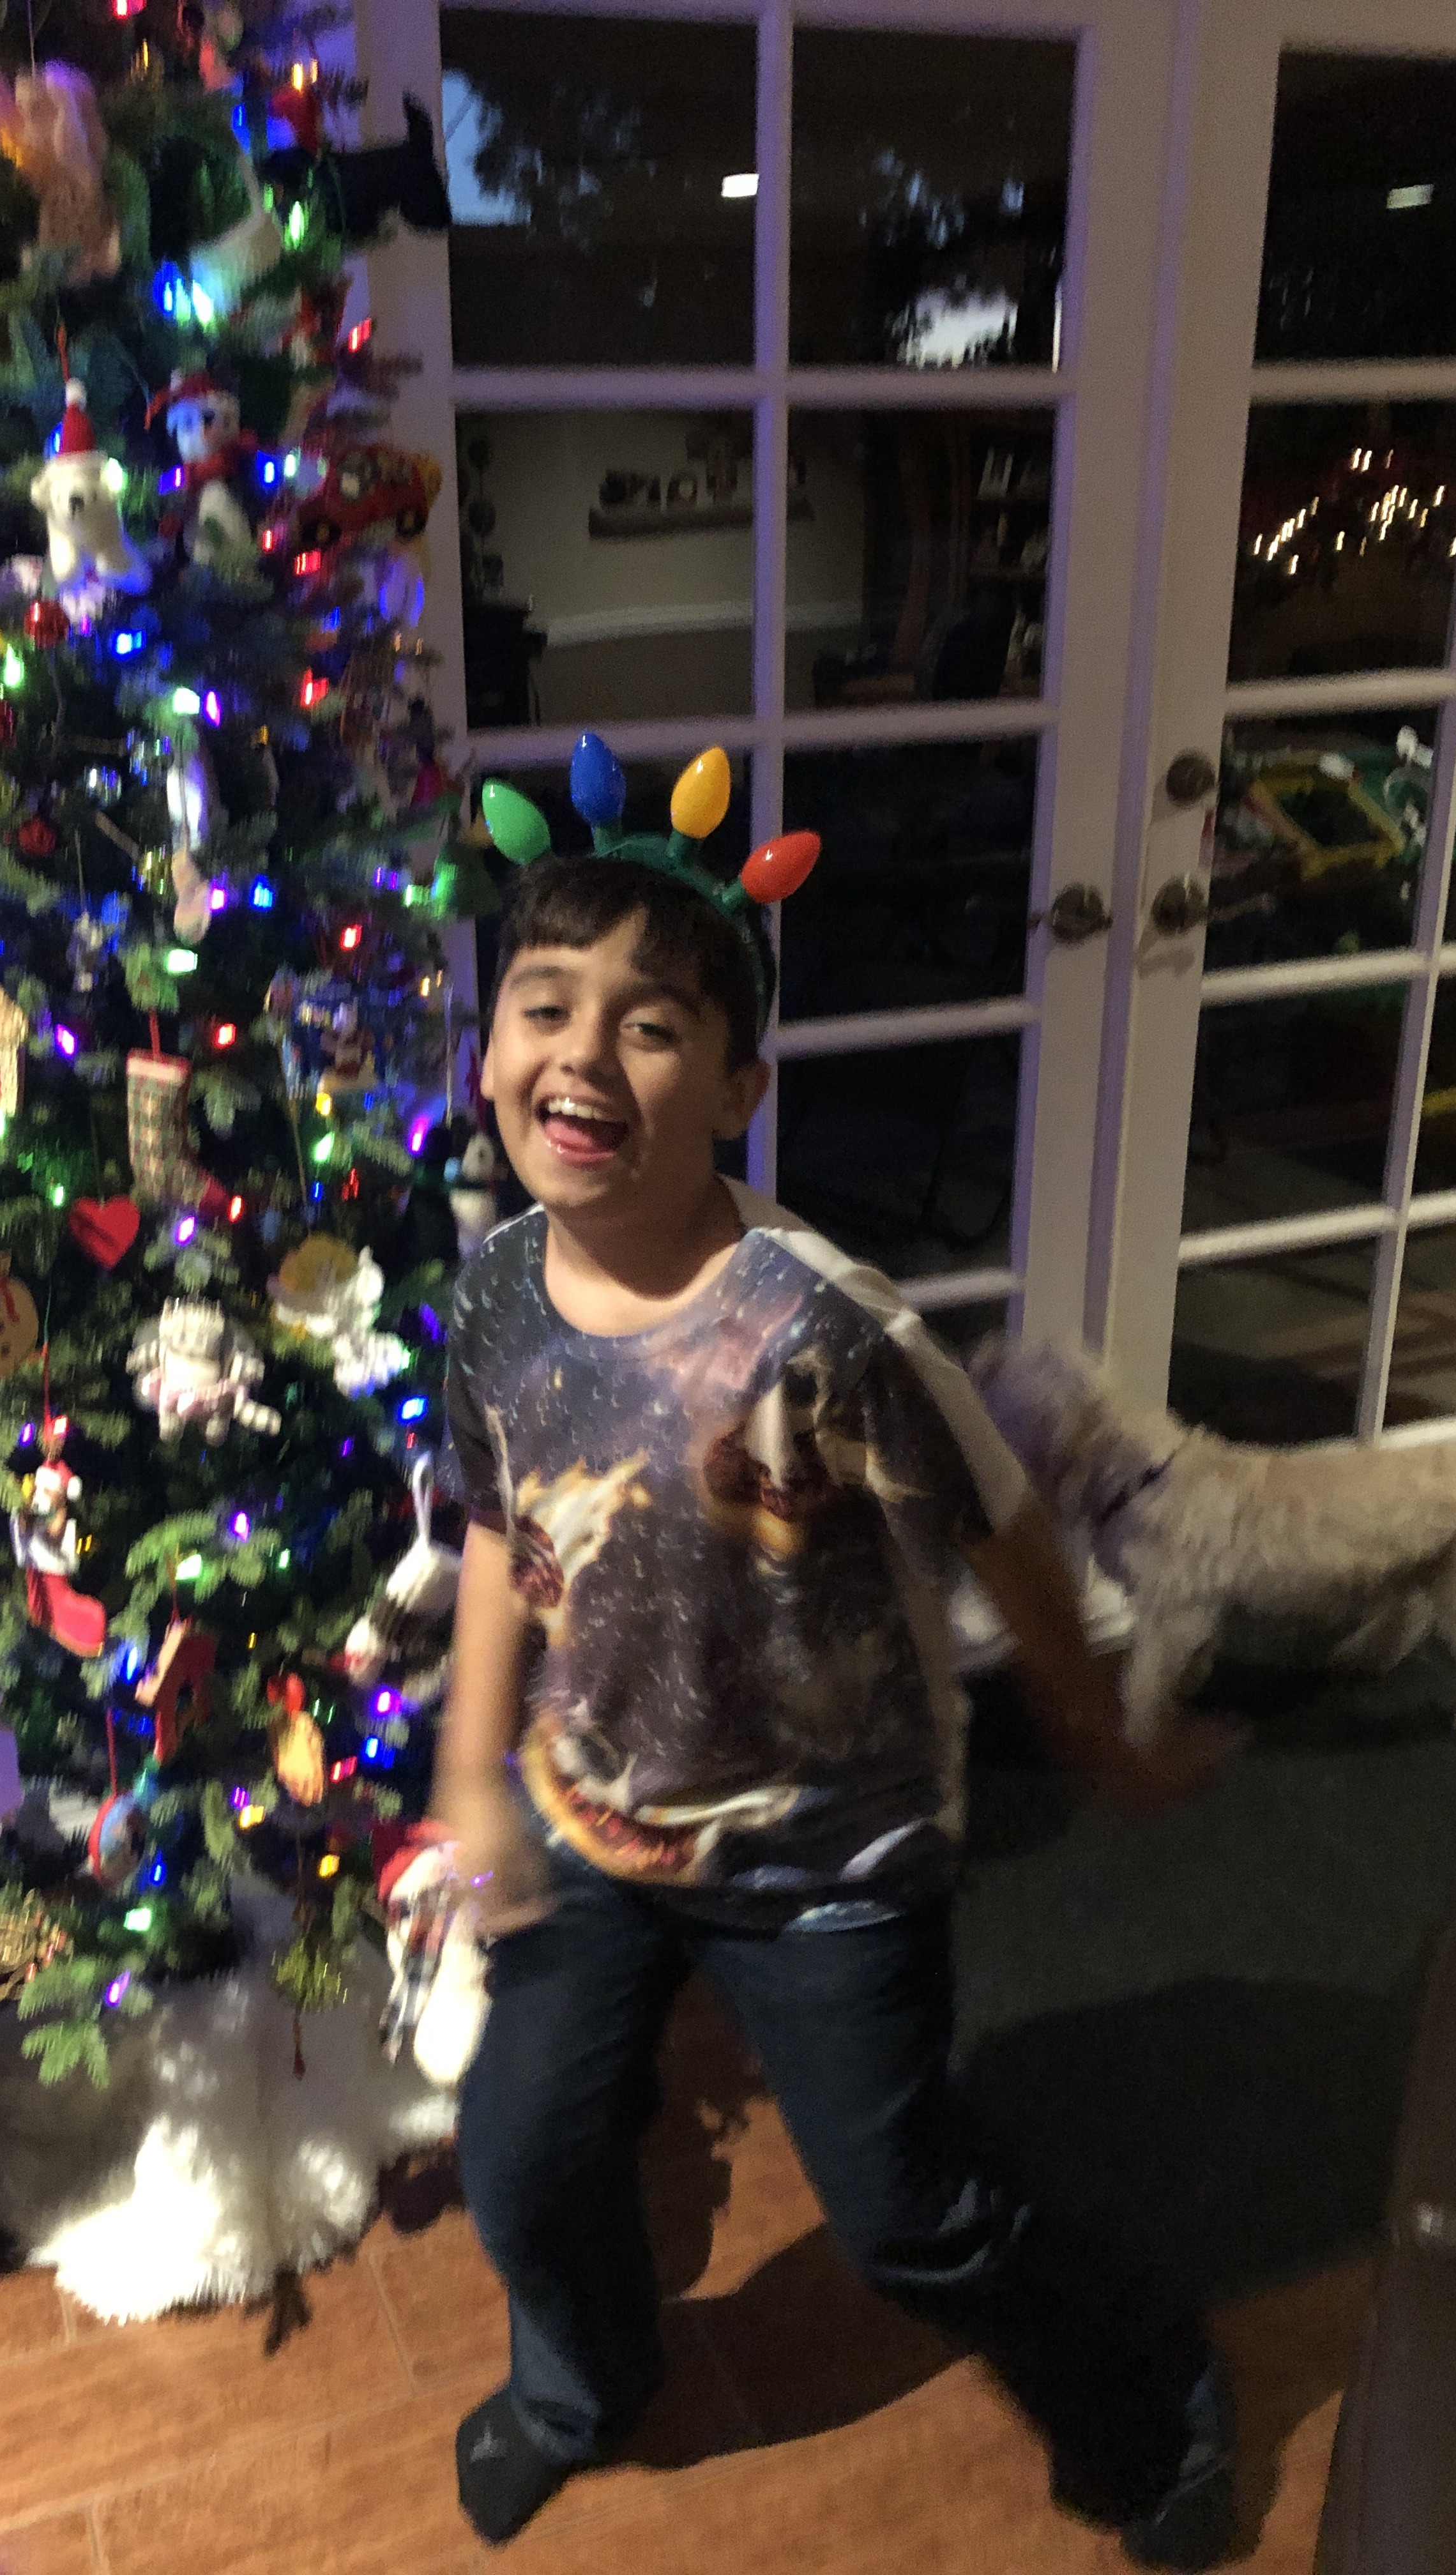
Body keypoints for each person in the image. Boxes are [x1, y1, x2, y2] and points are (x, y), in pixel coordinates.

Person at [431, 752, 1246, 2563]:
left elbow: (1004, 1523)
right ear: (487, 1055)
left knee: (906, 2218)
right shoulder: (490, 1298)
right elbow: (496, 1526)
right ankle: (582, 2383)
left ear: (740, 1088)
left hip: (832, 1860)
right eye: (544, 1006)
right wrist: (471, 1769)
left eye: (652, 1024)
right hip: (596, 1817)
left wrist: (1097, 1737)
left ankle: (1146, 2389)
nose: (583, 1053)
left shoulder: (821, 1323)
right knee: (526, 2152)